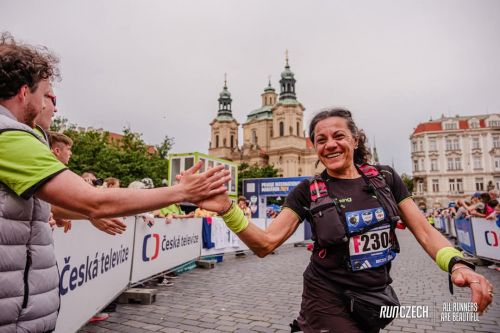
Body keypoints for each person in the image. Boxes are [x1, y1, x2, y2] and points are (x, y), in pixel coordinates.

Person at [0, 33, 230, 333]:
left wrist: (89, 212)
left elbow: (48, 205)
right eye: (45, 95)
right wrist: (183, 191)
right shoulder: (10, 137)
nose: (50, 105)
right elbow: (93, 198)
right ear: (22, 92)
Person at [195, 108, 494, 332]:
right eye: (321, 139)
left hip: (373, 298)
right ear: (313, 146)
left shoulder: (385, 178)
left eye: (339, 136)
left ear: (355, 138)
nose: (330, 144)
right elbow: (265, 244)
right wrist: (226, 209)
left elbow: (426, 233)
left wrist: (458, 263)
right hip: (326, 296)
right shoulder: (307, 191)